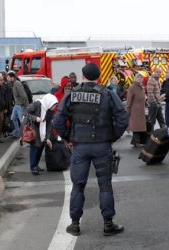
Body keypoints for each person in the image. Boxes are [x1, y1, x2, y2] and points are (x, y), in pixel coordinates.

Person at [54, 63, 128, 236]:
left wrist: (68, 138)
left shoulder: (72, 95)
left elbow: (58, 120)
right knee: (105, 186)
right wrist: (112, 137)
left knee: (78, 186)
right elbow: (122, 118)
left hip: (80, 145)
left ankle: (74, 224)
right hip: (102, 145)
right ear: (99, 76)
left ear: (83, 76)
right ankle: (108, 224)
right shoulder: (108, 94)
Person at [25, 94, 58, 175]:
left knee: (40, 147)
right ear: (49, 102)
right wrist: (35, 118)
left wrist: (47, 138)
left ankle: (36, 165)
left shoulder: (50, 110)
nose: (54, 108)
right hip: (34, 128)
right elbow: (25, 113)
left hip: (42, 130)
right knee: (34, 147)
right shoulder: (37, 104)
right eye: (54, 105)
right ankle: (33, 167)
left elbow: (49, 124)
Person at [126, 72, 147, 147]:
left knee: (139, 126)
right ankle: (136, 142)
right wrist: (127, 111)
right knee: (136, 126)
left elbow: (143, 98)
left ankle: (135, 141)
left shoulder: (141, 87)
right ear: (135, 78)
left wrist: (146, 103)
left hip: (141, 109)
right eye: (138, 77)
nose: (140, 79)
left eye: (141, 77)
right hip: (134, 110)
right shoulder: (132, 88)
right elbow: (129, 101)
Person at [8, 71, 28, 138]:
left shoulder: (17, 83)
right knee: (13, 118)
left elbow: (23, 95)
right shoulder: (13, 83)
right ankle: (17, 132)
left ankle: (23, 134)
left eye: (8, 77)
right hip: (16, 105)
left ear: (12, 77)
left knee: (21, 120)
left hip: (20, 105)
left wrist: (22, 104)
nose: (7, 78)